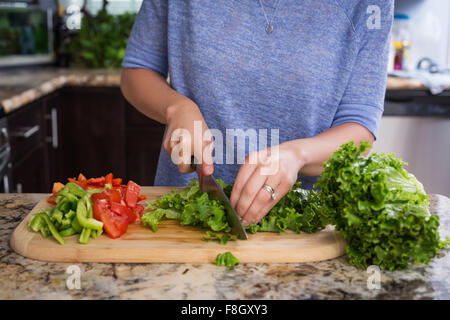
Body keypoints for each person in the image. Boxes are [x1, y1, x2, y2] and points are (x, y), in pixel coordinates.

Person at [120, 0, 394, 225]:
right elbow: (136, 73)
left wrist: (296, 157)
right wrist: (176, 108)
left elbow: (360, 129)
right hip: (183, 214)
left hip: (300, 228)